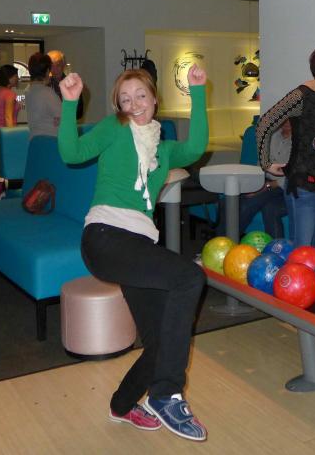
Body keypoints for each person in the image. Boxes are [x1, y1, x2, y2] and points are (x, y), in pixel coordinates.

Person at [57, 66, 209, 442]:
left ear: (154, 99)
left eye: (141, 95)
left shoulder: (163, 148)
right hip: (105, 236)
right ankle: (166, 394)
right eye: (125, 99)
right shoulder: (115, 128)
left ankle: (122, 405)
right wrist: (70, 103)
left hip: (137, 244)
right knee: (190, 277)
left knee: (159, 343)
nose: (134, 104)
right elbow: (71, 153)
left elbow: (196, 147)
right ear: (119, 107)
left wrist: (198, 93)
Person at [256, 45, 315, 252]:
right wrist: (266, 163)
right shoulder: (301, 95)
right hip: (303, 185)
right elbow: (265, 124)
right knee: (302, 250)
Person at [218, 122, 290, 239]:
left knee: (249, 204)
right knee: (229, 199)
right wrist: (253, 182)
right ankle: (219, 242)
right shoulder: (272, 136)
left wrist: (265, 186)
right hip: (264, 179)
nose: (286, 122)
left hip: (283, 185)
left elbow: (296, 174)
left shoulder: (301, 141)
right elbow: (261, 164)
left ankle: (226, 242)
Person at [0, 64, 21, 190]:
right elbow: (8, 118)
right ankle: (2, 194)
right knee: (7, 171)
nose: (17, 78)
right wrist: (12, 139)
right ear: (9, 78)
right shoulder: (10, 94)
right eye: (16, 76)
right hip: (5, 138)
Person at [24, 52, 61, 138]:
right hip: (50, 141)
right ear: (47, 71)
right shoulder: (47, 93)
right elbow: (64, 120)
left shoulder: (28, 90)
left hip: (34, 141)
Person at [48, 49, 83, 119]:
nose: (54, 69)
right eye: (52, 66)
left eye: (58, 65)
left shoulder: (73, 83)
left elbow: (79, 112)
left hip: (67, 121)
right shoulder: (46, 85)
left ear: (63, 65)